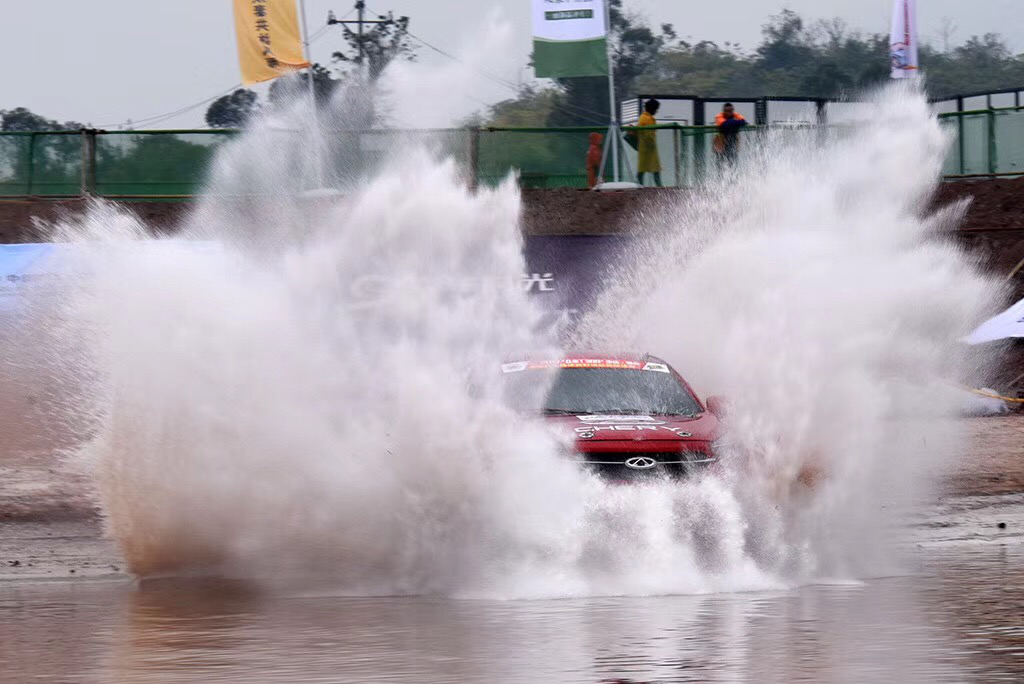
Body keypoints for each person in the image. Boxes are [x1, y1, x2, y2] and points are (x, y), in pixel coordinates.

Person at [636, 99, 662, 187]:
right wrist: (651, 143)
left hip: (643, 147)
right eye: (656, 109)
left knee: (642, 168)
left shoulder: (642, 117)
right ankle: (659, 186)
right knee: (655, 168)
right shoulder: (648, 119)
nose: (656, 111)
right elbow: (649, 134)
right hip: (649, 147)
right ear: (652, 108)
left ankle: (640, 186)